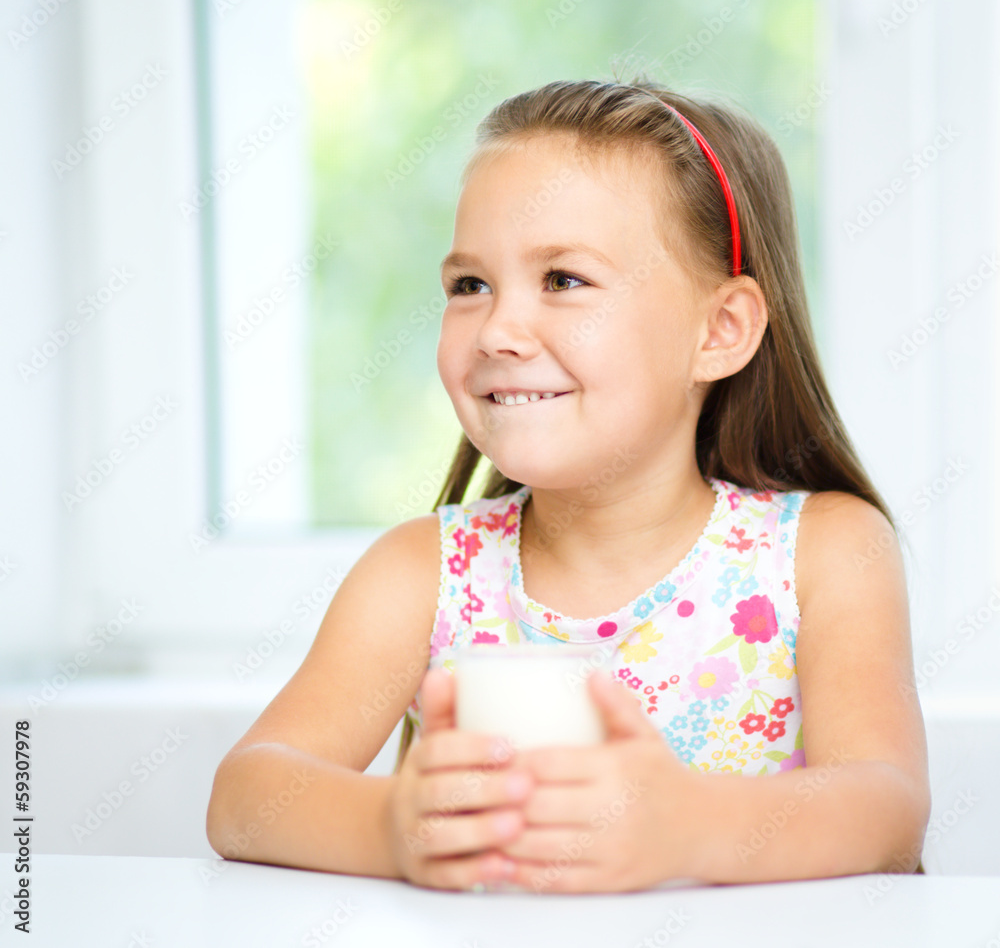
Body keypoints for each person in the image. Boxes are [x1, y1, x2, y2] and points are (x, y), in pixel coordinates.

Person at [206, 78, 930, 894]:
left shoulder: (822, 554)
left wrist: (690, 829)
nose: (498, 331)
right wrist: (390, 828)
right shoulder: (423, 575)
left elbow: (888, 809)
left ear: (719, 330)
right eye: (470, 286)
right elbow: (245, 799)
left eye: (562, 280)